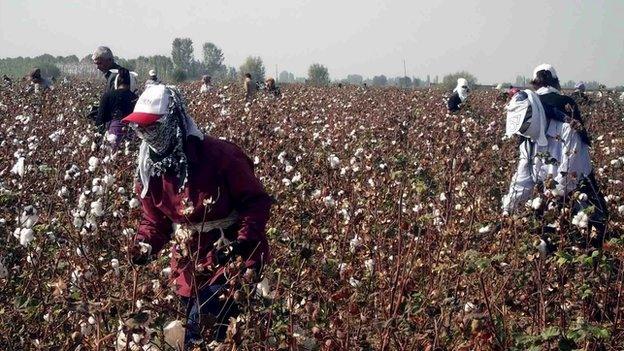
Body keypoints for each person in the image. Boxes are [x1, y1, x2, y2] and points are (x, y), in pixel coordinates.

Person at [121, 84, 272, 346]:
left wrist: (242, 243)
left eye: (152, 126)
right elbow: (155, 220)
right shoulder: (148, 169)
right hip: (188, 263)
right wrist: (143, 245)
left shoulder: (221, 156)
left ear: (173, 121)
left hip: (230, 257)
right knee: (203, 331)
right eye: (140, 127)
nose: (145, 133)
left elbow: (256, 201)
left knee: (200, 332)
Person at [502, 89, 607, 249]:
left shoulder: (567, 131)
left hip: (579, 201)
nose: (523, 130)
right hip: (551, 205)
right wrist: (507, 210)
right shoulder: (528, 144)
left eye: (524, 124)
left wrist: (548, 202)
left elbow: (569, 179)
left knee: (586, 248)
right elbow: (522, 182)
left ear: (535, 114)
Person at [94, 68, 138, 146]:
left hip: (111, 137)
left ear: (116, 82)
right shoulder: (135, 98)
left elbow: (100, 120)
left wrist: (97, 142)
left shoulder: (107, 96)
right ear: (132, 83)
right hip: (130, 138)